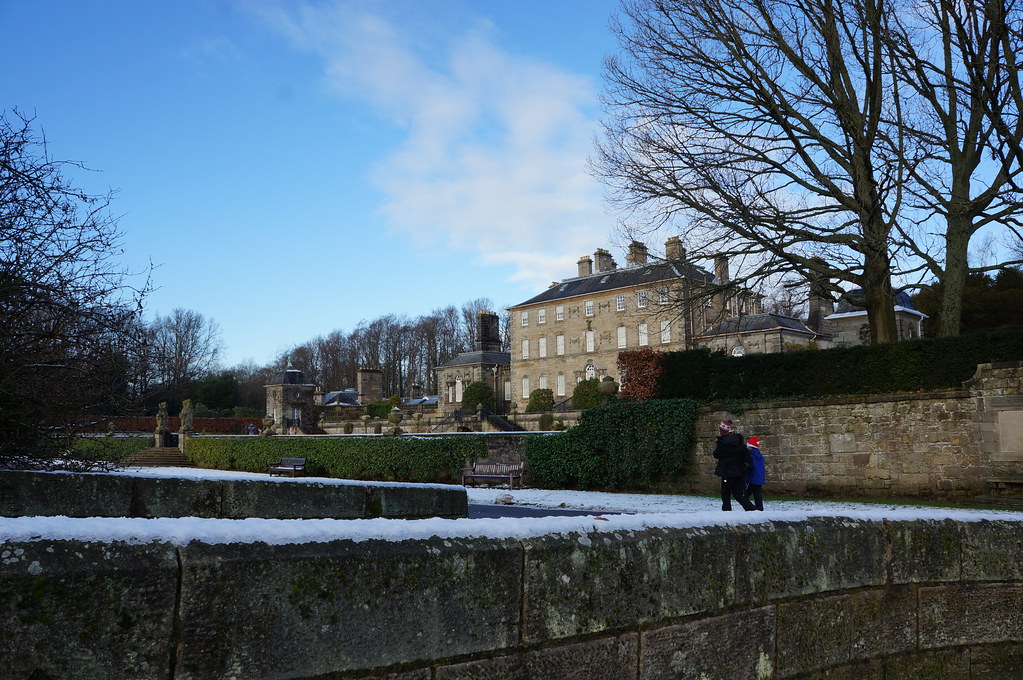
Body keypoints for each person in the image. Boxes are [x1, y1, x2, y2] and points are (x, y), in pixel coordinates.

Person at [713, 420, 755, 511]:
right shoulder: (739, 442)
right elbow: (747, 457)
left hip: (727, 473)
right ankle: (751, 509)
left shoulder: (722, 443)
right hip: (739, 472)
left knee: (725, 493)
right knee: (738, 494)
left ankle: (727, 512)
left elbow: (716, 454)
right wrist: (746, 466)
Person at [744, 435, 766, 511]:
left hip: (752, 479)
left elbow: (750, 466)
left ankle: (752, 509)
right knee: (757, 496)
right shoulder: (758, 455)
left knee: (744, 496)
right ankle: (759, 509)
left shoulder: (751, 455)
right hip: (758, 479)